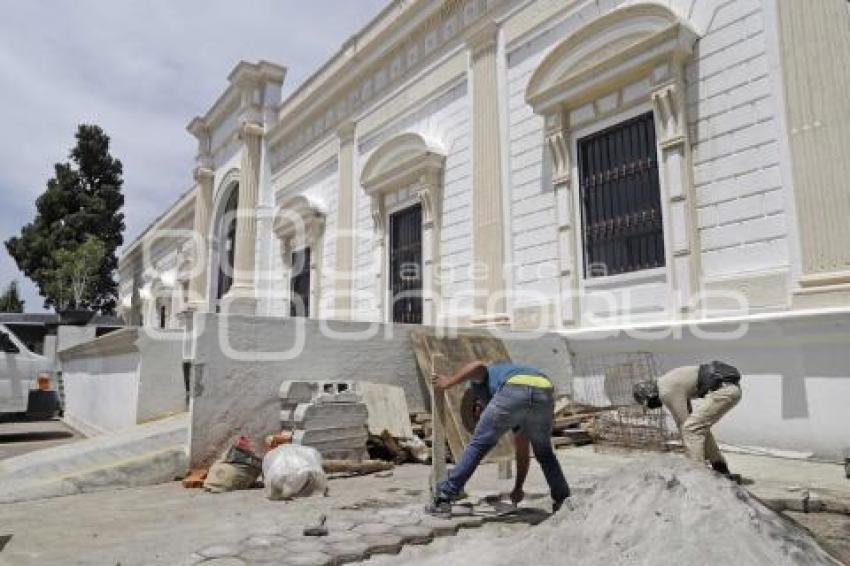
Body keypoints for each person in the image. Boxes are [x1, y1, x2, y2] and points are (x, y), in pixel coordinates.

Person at [426, 360, 570, 517]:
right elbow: (522, 453)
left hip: (514, 388)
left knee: (478, 445)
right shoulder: (514, 404)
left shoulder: (481, 384)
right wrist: (518, 487)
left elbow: (477, 366)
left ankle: (444, 496)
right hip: (544, 390)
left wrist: (448, 382)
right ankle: (563, 500)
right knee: (544, 453)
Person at [633, 361, 742, 478]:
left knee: (690, 429)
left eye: (649, 403)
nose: (653, 406)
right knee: (697, 428)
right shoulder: (668, 382)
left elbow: (683, 423)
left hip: (724, 391)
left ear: (649, 394)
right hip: (729, 389)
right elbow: (691, 422)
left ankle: (698, 475)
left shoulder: (665, 390)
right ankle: (719, 466)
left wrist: (689, 452)